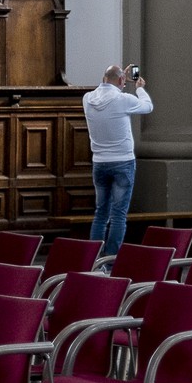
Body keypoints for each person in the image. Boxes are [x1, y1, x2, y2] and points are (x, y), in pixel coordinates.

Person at [83, 63, 153, 257]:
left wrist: (117, 74)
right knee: (119, 215)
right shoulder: (123, 99)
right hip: (122, 161)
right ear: (122, 80)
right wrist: (139, 88)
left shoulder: (88, 99)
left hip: (99, 162)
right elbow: (148, 107)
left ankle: (94, 260)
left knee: (100, 214)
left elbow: (108, 83)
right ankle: (112, 261)